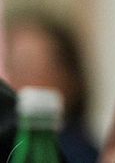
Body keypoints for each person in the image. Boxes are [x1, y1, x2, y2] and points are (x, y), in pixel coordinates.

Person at [4, 9, 99, 163]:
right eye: (7, 67)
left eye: (24, 68)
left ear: (68, 79)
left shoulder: (78, 155)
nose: (8, 81)